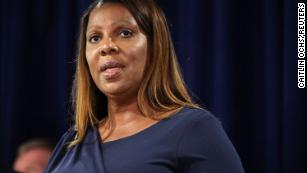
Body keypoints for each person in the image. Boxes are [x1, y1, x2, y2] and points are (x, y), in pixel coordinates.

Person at [45, 0, 245, 172]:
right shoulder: (70, 142)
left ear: (155, 48)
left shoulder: (194, 129)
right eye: (95, 38)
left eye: (125, 33)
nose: (106, 46)